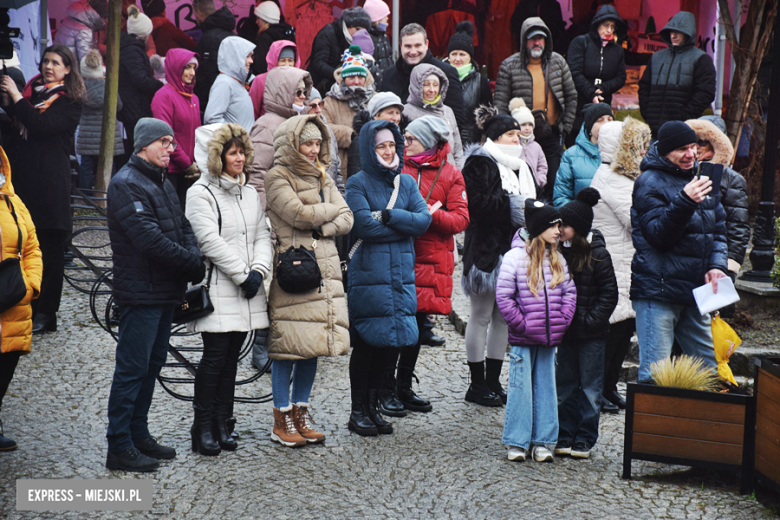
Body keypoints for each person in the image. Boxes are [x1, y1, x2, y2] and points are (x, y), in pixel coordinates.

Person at [106, 118, 205, 472]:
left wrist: (193, 258)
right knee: (132, 369)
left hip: (164, 292)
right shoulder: (125, 185)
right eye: (164, 142)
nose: (171, 148)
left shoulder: (160, 181)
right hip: (141, 293)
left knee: (151, 366)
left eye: (172, 142)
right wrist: (191, 264)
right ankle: (118, 444)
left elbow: (182, 225)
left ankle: (138, 433)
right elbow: (149, 241)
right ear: (144, 145)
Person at [265, 115, 353, 446]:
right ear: (293, 145)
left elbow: (347, 217)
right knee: (288, 345)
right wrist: (326, 213)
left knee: (312, 344)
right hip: (294, 270)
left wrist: (322, 225)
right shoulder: (277, 176)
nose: (314, 150)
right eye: (308, 143)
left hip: (324, 272)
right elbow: (297, 214)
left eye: (318, 143)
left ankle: (301, 411)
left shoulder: (322, 176)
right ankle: (281, 416)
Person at [185, 123, 273, 456]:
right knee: (214, 358)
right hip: (220, 286)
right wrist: (242, 275)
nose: (239, 158)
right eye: (232, 152)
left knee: (232, 359)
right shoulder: (200, 193)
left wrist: (259, 270)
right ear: (217, 156)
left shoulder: (248, 192)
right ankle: (202, 426)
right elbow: (209, 241)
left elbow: (262, 235)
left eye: (241, 152)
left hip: (247, 287)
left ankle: (223, 421)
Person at [346, 119, 431, 436]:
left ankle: (374, 407)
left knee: (390, 344)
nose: (387, 150)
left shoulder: (406, 183)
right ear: (370, 148)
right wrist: (400, 227)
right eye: (380, 145)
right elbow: (363, 226)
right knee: (368, 343)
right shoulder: (357, 183)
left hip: (399, 275)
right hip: (370, 273)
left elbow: (423, 221)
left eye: (391, 145)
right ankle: (358, 411)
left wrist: (390, 216)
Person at [631, 121, 727, 384]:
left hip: (696, 292)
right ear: (664, 152)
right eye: (682, 149)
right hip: (658, 291)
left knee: (710, 370)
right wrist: (685, 201)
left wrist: (717, 265)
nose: (690, 154)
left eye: (694, 147)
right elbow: (659, 237)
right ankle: (651, 425)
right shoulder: (648, 182)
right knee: (655, 375)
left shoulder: (701, 178)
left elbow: (718, 230)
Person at [386, 116, 469, 415]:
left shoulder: (451, 174)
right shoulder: (396, 166)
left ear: (428, 142)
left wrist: (432, 214)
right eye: (404, 139)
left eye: (410, 140)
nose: (404, 144)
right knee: (394, 327)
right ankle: (385, 389)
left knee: (415, 330)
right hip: (398, 255)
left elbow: (460, 220)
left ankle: (403, 387)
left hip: (429, 262)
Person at [0, 45, 84, 335]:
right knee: (25, 247)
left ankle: (47, 312)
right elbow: (20, 122)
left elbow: (40, 124)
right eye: (46, 61)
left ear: (68, 68)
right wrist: (10, 102)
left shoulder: (69, 100)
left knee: (49, 249)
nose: (49, 66)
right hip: (25, 181)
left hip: (50, 183)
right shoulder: (33, 93)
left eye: (56, 62)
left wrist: (14, 97)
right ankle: (27, 305)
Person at [460, 108, 533, 407]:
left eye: (518, 133)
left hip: (513, 250)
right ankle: (476, 384)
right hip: (485, 250)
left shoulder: (520, 165)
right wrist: (519, 207)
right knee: (480, 315)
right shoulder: (479, 162)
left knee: (503, 318)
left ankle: (493, 381)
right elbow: (479, 206)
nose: (517, 138)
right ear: (495, 136)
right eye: (510, 134)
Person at [497, 199, 576, 463]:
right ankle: (517, 441)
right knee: (520, 388)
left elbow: (569, 294)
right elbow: (504, 297)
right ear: (538, 227)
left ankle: (543, 441)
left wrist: (562, 320)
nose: (558, 231)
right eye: (553, 226)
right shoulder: (515, 258)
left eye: (559, 226)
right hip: (524, 337)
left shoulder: (558, 260)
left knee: (545, 387)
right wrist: (521, 324)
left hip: (549, 337)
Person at [590, 117, 650, 410]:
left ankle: (610, 387)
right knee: (612, 332)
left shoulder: (625, 176)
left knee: (624, 330)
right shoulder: (610, 177)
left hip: (625, 261)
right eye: (637, 145)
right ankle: (598, 389)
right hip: (615, 262)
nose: (643, 151)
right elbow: (634, 220)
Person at [555, 188, 618, 460]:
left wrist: (590, 321)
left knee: (591, 388)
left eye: (564, 225)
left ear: (578, 228)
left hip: (592, 334)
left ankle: (585, 438)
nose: (559, 229)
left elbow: (609, 295)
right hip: (567, 333)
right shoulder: (559, 253)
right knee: (565, 385)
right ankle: (564, 434)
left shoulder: (599, 255)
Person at [493, 17, 577, 198]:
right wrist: (509, 134)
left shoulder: (558, 62)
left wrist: (565, 127)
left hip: (552, 135)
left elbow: (571, 96)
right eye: (532, 38)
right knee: (524, 182)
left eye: (541, 38)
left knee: (553, 180)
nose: (537, 42)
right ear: (524, 41)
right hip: (520, 138)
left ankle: (552, 220)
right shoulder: (509, 66)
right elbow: (500, 104)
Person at [0, 147, 43, 452]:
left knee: (4, 369)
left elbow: (32, 249)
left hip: (12, 301)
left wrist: (30, 286)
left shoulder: (14, 203)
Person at [686, 117, 750, 290]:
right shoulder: (682, 173)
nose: (696, 147)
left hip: (716, 263)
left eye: (703, 142)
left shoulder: (731, 179)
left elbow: (737, 228)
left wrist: (728, 267)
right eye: (693, 142)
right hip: (686, 263)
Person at [638, 11, 716, 137]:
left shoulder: (701, 59)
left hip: (682, 131)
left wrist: (684, 118)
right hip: (653, 129)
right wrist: (647, 113)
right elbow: (644, 87)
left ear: (688, 33)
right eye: (670, 31)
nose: (673, 35)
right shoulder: (656, 57)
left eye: (678, 31)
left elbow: (705, 93)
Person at [379, 24, 466, 133]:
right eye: (408, 46)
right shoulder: (389, 75)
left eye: (418, 45)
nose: (413, 51)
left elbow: (456, 120)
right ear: (400, 46)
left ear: (426, 45)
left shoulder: (446, 72)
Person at [248, 67, 313, 209]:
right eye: (298, 92)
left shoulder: (297, 122)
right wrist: (268, 216)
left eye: (305, 92)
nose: (303, 96)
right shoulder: (267, 126)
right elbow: (255, 177)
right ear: (283, 93)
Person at [565, 5, 626, 149]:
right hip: (579, 103)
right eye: (606, 25)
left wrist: (602, 88)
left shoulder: (617, 50)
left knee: (601, 146)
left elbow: (621, 77)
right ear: (597, 25)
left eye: (612, 26)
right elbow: (574, 72)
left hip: (603, 104)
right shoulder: (581, 42)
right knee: (576, 144)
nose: (609, 30)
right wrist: (590, 92)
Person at [151, 49, 202, 207]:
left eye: (194, 68)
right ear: (175, 67)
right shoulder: (163, 96)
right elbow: (166, 136)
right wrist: (187, 164)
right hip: (170, 170)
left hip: (190, 172)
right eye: (187, 67)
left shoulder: (194, 98)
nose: (192, 72)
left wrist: (196, 163)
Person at [118, 6, 163, 167]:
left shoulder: (130, 48)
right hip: (134, 106)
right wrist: (161, 86)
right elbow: (140, 79)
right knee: (138, 148)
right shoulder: (132, 50)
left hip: (132, 104)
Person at [322, 45, 376, 180]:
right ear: (344, 79)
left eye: (360, 76)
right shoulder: (330, 101)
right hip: (340, 167)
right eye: (351, 77)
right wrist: (351, 136)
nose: (356, 81)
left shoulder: (375, 99)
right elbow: (324, 127)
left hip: (371, 165)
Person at [77, 50, 124, 190]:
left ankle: (86, 199)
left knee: (86, 166)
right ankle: (109, 194)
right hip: (107, 134)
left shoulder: (80, 88)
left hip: (87, 135)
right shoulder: (110, 86)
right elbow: (119, 107)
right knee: (110, 165)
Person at [402, 64, 464, 169]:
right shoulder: (405, 112)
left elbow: (458, 151)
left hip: (450, 177)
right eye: (426, 84)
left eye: (435, 85)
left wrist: (458, 173)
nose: (432, 90)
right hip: (421, 178)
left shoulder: (447, 111)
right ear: (416, 86)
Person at [553, 103, 614, 207]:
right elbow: (561, 196)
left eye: (610, 119)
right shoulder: (571, 156)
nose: (606, 124)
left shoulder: (624, 154)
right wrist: (576, 218)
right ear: (589, 126)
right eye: (600, 120)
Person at [445, 21, 492, 145]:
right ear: (448, 56)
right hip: (444, 143)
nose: (457, 58)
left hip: (471, 145)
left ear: (470, 56)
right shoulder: (439, 78)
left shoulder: (480, 81)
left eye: (462, 54)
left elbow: (489, 117)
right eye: (454, 54)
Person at [307, 7, 372, 92]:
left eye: (365, 31)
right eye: (358, 29)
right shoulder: (326, 34)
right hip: (320, 87)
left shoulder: (357, 40)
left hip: (343, 87)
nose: (361, 34)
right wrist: (339, 74)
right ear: (349, 25)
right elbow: (318, 63)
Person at [348, 91, 408, 180]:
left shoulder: (403, 139)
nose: (396, 118)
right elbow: (356, 175)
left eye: (398, 113)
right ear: (375, 115)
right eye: (390, 113)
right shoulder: (361, 141)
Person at [193, 0, 237, 117]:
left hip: (215, 102)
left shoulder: (208, 39)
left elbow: (207, 75)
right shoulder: (232, 34)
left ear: (199, 13)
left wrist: (202, 105)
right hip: (233, 98)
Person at [204, 36, 256, 131]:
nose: (251, 61)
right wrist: (235, 138)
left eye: (251, 56)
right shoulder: (224, 83)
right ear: (235, 57)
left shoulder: (234, 82)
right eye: (247, 56)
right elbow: (212, 118)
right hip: (236, 145)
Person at [249, 39, 299, 120]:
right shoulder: (260, 81)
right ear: (274, 60)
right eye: (282, 60)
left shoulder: (298, 81)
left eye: (290, 61)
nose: (287, 65)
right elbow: (252, 112)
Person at [308, 88, 343, 194]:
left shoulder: (328, 131)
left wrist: (342, 203)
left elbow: (337, 172)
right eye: (313, 106)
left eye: (320, 104)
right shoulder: (294, 132)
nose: (318, 110)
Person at [54, 0, 108, 67]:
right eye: (106, 19)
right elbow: (89, 65)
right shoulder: (84, 31)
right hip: (74, 74)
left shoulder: (70, 19)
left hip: (63, 69)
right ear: (101, 17)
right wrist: (104, 72)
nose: (106, 23)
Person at [510, 98, 548, 190]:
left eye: (530, 125)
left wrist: (539, 181)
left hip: (534, 188)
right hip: (516, 187)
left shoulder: (536, 146)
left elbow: (542, 166)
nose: (527, 128)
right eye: (523, 125)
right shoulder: (512, 145)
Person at [250, 1, 296, 77]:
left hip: (267, 80)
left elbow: (259, 67)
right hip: (288, 77)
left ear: (266, 19)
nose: (256, 22)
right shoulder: (288, 34)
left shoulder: (264, 38)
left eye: (258, 18)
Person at [362, 0, 393, 85]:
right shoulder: (366, 38)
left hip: (387, 78)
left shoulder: (383, 35)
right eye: (385, 16)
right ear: (377, 19)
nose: (387, 18)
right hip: (375, 82)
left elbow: (388, 57)